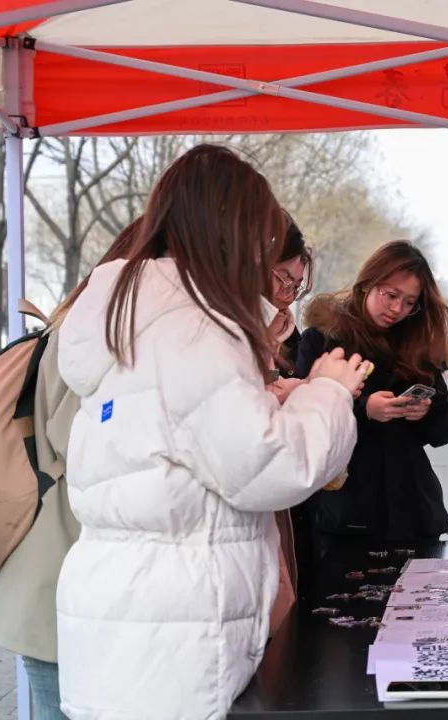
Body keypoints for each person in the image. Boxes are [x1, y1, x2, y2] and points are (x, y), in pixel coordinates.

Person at [54, 144, 369, 720]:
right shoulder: (194, 325)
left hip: (121, 617)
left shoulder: (130, 310)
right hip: (176, 632)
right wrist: (327, 392)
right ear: (230, 231)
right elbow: (267, 467)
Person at [0, 218, 144, 720]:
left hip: (63, 579)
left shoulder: (88, 327)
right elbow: (77, 442)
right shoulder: (89, 337)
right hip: (57, 581)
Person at [294, 240, 448, 586]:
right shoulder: (323, 339)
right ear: (368, 282)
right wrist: (363, 408)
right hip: (347, 511)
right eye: (391, 295)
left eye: (410, 302)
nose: (397, 309)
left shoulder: (416, 343)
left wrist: (427, 410)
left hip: (413, 510)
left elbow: (447, 431)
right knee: (346, 611)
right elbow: (301, 415)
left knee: (415, 612)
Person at [268, 212, 313, 378]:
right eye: (282, 280)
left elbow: (276, 385)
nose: (289, 297)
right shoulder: (225, 321)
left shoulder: (289, 332)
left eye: (296, 287)